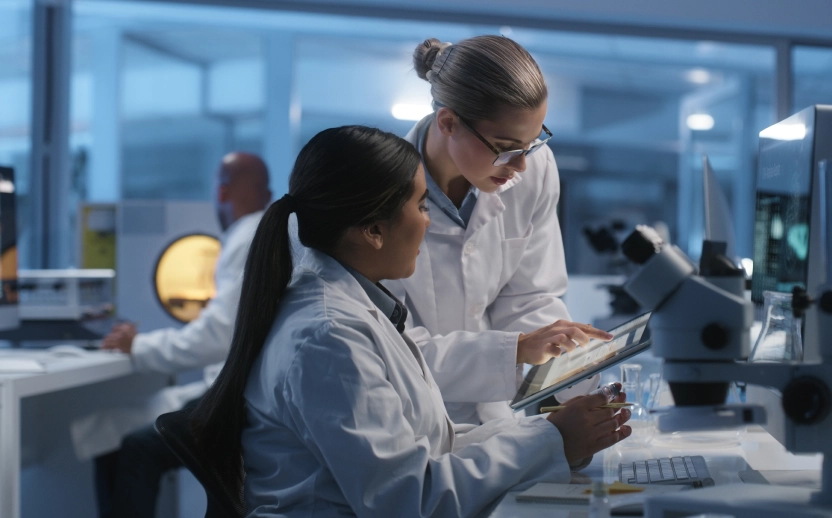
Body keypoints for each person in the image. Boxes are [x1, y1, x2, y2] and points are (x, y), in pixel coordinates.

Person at [191, 125, 632, 517]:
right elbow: (410, 500)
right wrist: (549, 441)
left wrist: (553, 433)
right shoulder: (327, 337)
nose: (429, 224)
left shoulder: (355, 311)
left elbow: (428, 450)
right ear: (372, 230)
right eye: (422, 206)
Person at [384, 35, 609, 425]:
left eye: (533, 142)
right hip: (411, 419)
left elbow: (529, 296)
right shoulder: (381, 194)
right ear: (449, 122)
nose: (521, 165)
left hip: (497, 418)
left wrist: (572, 370)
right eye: (506, 146)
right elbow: (393, 348)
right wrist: (515, 351)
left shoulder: (534, 169)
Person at [94, 152, 271, 518]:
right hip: (243, 391)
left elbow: (218, 335)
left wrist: (137, 345)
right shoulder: (265, 230)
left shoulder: (246, 234)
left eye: (219, 188)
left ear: (222, 192)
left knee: (132, 446)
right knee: (108, 434)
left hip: (241, 402)